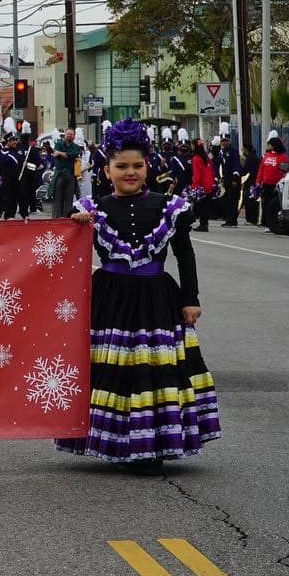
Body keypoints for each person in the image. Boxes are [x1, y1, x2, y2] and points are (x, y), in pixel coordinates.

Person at [58, 119, 220, 466]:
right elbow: (65, 255)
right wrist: (76, 226)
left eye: (137, 165)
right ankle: (112, 443)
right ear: (107, 169)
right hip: (110, 299)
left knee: (152, 368)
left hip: (155, 298)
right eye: (121, 166)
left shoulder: (169, 207)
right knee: (112, 369)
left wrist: (191, 299)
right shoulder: (92, 209)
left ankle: (154, 445)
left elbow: (184, 254)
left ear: (148, 166)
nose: (129, 172)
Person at [257, 137, 289, 232]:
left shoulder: (283, 157)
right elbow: (261, 169)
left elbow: (285, 171)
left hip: (277, 185)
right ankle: (267, 223)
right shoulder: (266, 156)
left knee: (275, 206)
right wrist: (258, 181)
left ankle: (275, 224)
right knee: (266, 204)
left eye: (270, 144)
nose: (268, 146)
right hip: (266, 184)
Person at [50, 128, 83, 218]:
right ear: (65, 134)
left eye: (71, 134)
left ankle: (67, 220)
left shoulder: (76, 147)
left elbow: (75, 154)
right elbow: (58, 156)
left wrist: (61, 154)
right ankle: (56, 220)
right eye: (68, 134)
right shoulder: (59, 144)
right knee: (57, 199)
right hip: (59, 175)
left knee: (69, 199)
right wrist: (69, 156)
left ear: (74, 136)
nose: (69, 135)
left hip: (71, 176)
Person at [188, 139, 216, 232]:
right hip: (209, 184)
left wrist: (194, 187)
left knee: (201, 206)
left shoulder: (196, 158)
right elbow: (212, 170)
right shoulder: (206, 157)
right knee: (206, 206)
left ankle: (203, 224)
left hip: (201, 186)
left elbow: (197, 175)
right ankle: (204, 224)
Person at [215, 134, 243, 227]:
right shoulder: (220, 152)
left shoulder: (233, 152)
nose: (223, 142)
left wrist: (235, 179)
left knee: (233, 201)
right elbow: (217, 164)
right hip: (225, 179)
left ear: (229, 141)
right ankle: (228, 219)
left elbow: (236, 165)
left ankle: (232, 220)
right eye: (222, 141)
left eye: (225, 141)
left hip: (232, 179)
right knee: (225, 200)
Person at [0, 133, 23, 219]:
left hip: (18, 177)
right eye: (12, 140)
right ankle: (7, 215)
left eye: (16, 140)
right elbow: (2, 163)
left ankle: (13, 214)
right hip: (7, 178)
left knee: (16, 197)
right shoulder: (2, 151)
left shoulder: (19, 151)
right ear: (8, 142)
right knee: (8, 197)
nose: (15, 142)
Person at [240, 143, 262, 226]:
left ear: (246, 150)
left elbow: (245, 170)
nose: (242, 151)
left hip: (251, 181)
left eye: (243, 149)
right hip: (255, 181)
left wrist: (239, 173)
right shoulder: (255, 157)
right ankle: (254, 219)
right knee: (253, 200)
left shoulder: (250, 158)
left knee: (249, 200)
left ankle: (250, 219)